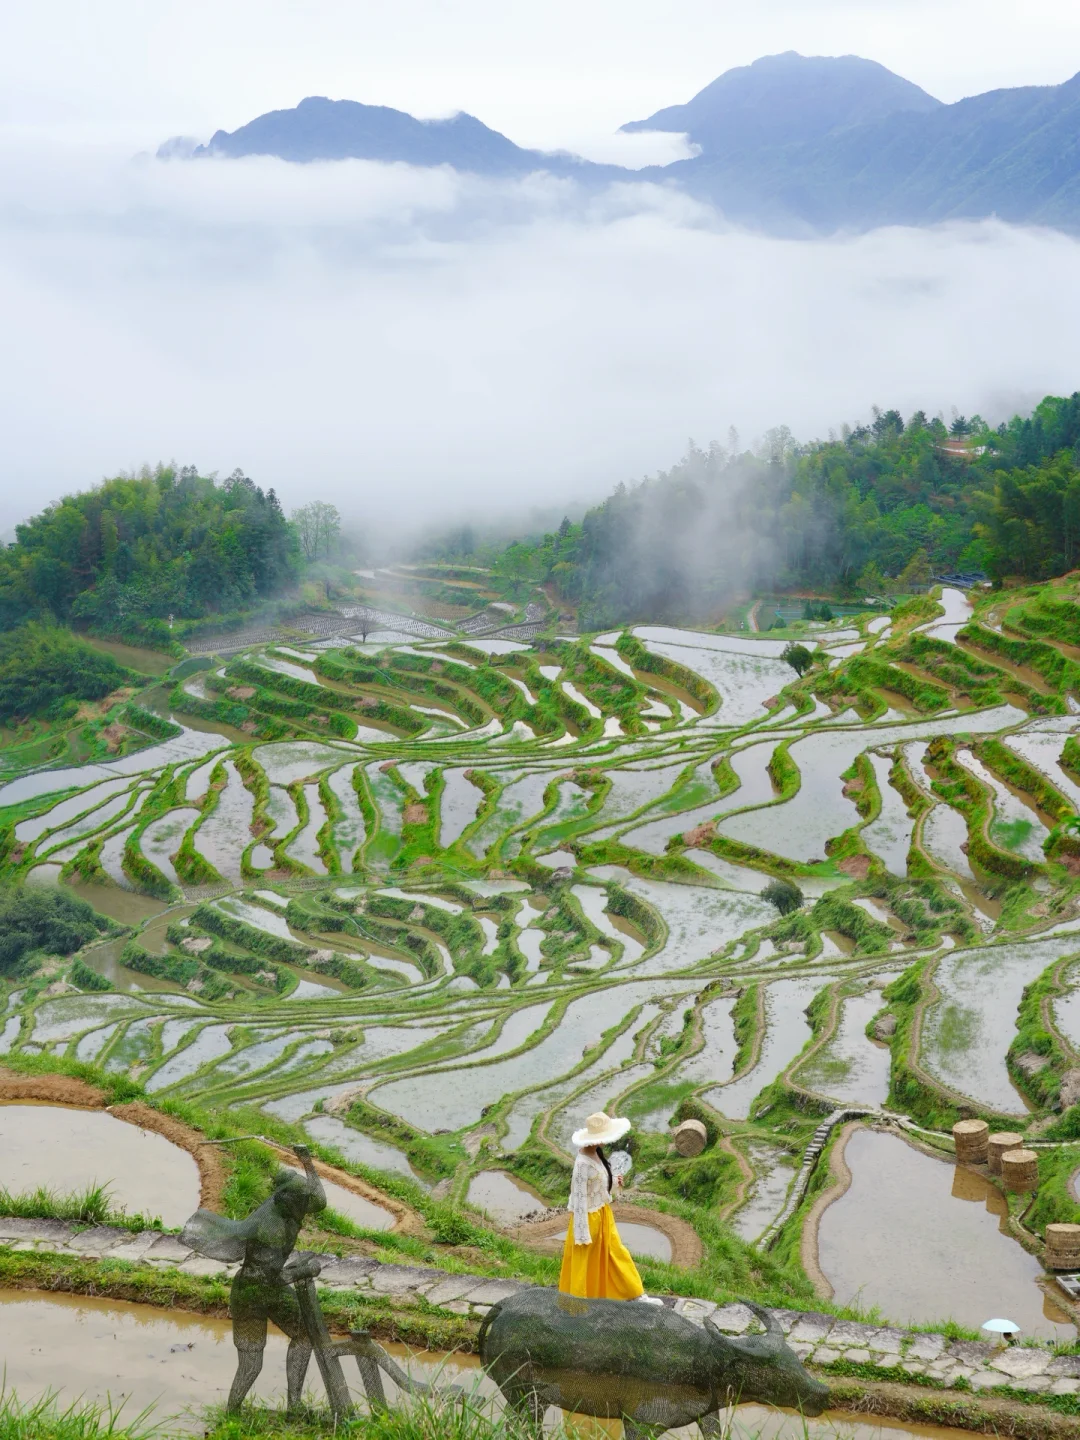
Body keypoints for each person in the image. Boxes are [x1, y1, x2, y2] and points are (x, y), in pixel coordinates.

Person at [182, 1143, 327, 1411]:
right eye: (299, 1198)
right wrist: (305, 1270)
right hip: (251, 1292)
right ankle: (232, 1412)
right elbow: (274, 1277)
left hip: (269, 1287)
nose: (304, 1203)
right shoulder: (271, 1225)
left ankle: (294, 1406)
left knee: (304, 1335)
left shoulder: (289, 1211)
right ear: (286, 1198)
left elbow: (319, 1200)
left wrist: (306, 1161)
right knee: (252, 1363)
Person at [559, 1111, 662, 1303]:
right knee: (585, 1264)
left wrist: (614, 1182)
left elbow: (597, 1185)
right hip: (587, 1221)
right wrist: (582, 1234)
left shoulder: (596, 1153)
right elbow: (579, 1199)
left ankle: (635, 1295)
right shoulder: (581, 1164)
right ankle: (579, 1307)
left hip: (603, 1215)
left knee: (616, 1253)